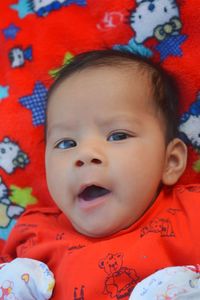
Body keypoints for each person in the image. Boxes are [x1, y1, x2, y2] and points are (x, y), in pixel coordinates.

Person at [0, 50, 200, 300]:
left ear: (171, 161)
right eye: (66, 143)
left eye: (117, 136)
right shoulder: (33, 233)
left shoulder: (192, 214)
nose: (85, 154)